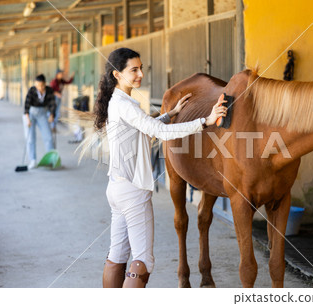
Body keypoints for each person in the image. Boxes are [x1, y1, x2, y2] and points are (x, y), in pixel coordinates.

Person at [94, 48, 227, 288]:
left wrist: (172, 113)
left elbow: (145, 126)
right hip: (133, 192)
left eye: (141, 68)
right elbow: (160, 133)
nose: (140, 74)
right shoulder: (126, 105)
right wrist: (205, 121)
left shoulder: (118, 101)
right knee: (142, 261)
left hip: (116, 189)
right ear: (116, 75)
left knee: (117, 256)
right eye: (133, 70)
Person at [24, 74, 56, 169]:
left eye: (41, 85)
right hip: (31, 114)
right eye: (37, 85)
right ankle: (33, 160)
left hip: (42, 114)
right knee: (30, 138)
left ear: (45, 84)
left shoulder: (49, 90)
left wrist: (51, 115)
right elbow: (26, 105)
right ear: (35, 84)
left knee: (49, 137)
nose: (40, 88)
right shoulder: (32, 90)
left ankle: (51, 159)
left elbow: (52, 104)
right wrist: (28, 119)